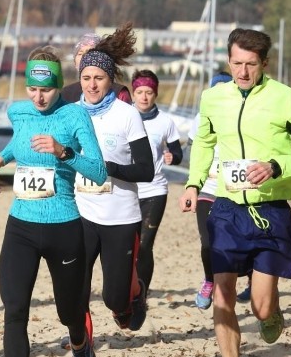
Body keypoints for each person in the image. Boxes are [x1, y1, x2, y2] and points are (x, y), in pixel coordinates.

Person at [179, 28, 291, 357]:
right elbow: (204, 143)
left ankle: (270, 313)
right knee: (223, 291)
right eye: (237, 64)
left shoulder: (285, 98)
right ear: (228, 62)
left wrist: (277, 166)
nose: (243, 72)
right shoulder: (213, 98)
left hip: (271, 211)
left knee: (260, 305)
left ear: (264, 64)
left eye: (251, 65)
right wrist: (194, 183)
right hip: (226, 208)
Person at [0, 47, 107, 357]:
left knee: (69, 312)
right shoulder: (19, 111)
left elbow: (98, 170)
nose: (39, 97)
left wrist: (63, 151)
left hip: (65, 226)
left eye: (47, 89)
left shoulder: (74, 115)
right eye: (33, 88)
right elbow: (18, 141)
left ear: (57, 86)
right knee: (14, 309)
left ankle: (81, 345)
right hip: (20, 227)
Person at [75, 23, 155, 336]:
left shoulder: (127, 114)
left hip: (120, 218)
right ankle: (83, 353)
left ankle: (135, 292)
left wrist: (110, 167)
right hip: (80, 215)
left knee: (114, 298)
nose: (92, 85)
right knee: (76, 292)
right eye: (86, 78)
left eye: (99, 78)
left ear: (110, 80)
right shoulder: (70, 114)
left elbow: (146, 169)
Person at [187, 71, 252, 310]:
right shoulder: (200, 116)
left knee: (243, 241)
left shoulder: (244, 115)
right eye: (216, 89)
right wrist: (192, 186)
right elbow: (196, 151)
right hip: (209, 188)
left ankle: (253, 277)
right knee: (207, 242)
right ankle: (209, 280)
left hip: (237, 189)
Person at [131, 69, 183, 299]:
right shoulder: (124, 117)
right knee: (126, 246)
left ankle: (141, 290)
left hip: (155, 190)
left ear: (155, 94)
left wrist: (174, 157)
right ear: (133, 93)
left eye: (149, 92)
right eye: (140, 92)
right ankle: (127, 285)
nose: (144, 97)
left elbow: (178, 151)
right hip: (127, 190)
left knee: (144, 245)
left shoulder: (165, 122)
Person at [61, 33, 131, 104]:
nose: (84, 57)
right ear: (74, 61)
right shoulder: (66, 93)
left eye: (89, 52)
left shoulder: (120, 93)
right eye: (80, 53)